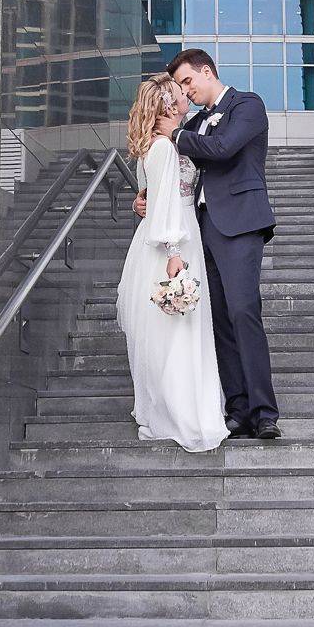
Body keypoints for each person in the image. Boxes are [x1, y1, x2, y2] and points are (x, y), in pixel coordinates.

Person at [153, 49, 280, 441]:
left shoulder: (248, 105)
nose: (186, 92)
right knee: (220, 321)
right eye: (181, 86)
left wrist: (175, 134)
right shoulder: (196, 122)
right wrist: (145, 197)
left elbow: (223, 148)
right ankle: (237, 409)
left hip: (241, 223)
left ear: (207, 71)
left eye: (188, 81)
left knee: (243, 312)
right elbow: (175, 169)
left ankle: (264, 412)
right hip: (204, 226)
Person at [117, 73, 228, 452]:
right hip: (174, 241)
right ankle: (182, 413)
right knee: (179, 332)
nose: (187, 95)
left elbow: (148, 196)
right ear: (168, 103)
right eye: (181, 92)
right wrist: (173, 252)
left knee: (171, 332)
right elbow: (162, 202)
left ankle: (170, 408)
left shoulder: (157, 144)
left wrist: (141, 204)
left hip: (171, 235)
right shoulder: (164, 147)